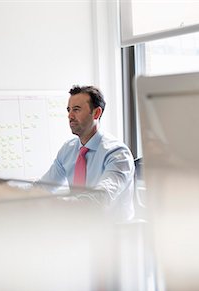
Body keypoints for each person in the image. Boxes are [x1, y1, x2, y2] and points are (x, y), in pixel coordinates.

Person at [40, 85, 135, 221]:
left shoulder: (117, 154)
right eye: (69, 110)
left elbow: (100, 196)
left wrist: (57, 204)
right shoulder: (68, 149)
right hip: (80, 228)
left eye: (76, 110)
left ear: (96, 113)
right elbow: (44, 186)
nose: (70, 116)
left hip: (113, 232)